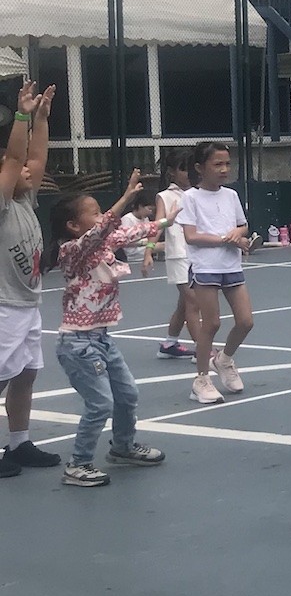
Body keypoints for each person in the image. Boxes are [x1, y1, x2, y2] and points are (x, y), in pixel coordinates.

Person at [50, 168, 168, 486]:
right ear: (73, 226)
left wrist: (166, 222)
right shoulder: (72, 251)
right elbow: (102, 230)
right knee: (101, 403)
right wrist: (126, 198)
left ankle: (123, 447)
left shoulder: (103, 244)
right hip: (77, 344)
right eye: (94, 212)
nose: (101, 216)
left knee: (127, 394)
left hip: (102, 338)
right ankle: (78, 464)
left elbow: (132, 233)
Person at [1, 81, 61, 478]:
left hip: (27, 304)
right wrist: (21, 115)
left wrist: (40, 119)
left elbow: (35, 157)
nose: (29, 170)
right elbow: (15, 158)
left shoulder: (25, 200)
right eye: (19, 170)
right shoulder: (3, 204)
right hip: (3, 306)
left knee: (26, 374)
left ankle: (19, 442)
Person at [176, 141, 255, 406]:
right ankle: (201, 380)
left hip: (231, 266)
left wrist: (238, 234)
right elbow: (191, 236)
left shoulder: (231, 195)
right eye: (217, 164)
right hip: (205, 267)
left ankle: (224, 360)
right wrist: (226, 239)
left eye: (227, 164)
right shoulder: (190, 198)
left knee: (246, 321)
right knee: (211, 324)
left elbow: (242, 226)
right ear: (200, 168)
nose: (224, 169)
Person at [155, 150, 196, 358]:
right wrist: (149, 250)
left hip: (197, 255)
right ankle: (203, 350)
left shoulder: (197, 194)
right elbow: (157, 225)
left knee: (184, 304)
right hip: (178, 256)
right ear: (171, 172)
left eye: (191, 169)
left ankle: (169, 343)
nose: (188, 174)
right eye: (183, 169)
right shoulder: (165, 196)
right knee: (194, 302)